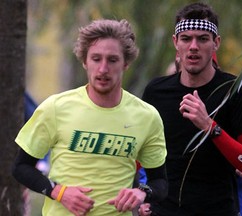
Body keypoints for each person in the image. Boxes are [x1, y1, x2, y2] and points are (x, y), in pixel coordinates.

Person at [12, 19, 168, 216]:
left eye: (112, 60)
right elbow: (21, 167)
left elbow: (160, 182)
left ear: (125, 63)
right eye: (96, 59)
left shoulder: (147, 116)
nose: (103, 69)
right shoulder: (56, 107)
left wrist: (141, 192)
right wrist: (59, 192)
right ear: (85, 61)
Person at [140, 2, 242, 216]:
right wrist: (142, 194)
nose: (193, 46)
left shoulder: (235, 92)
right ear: (176, 43)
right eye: (186, 39)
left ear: (216, 43)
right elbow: (141, 157)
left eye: (203, 39)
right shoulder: (156, 92)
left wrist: (210, 127)